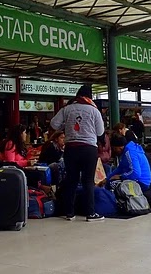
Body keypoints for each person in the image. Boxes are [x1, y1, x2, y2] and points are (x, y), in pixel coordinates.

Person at [50, 84, 105, 222]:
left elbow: (53, 124)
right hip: (89, 149)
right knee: (88, 181)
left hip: (71, 148)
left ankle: (69, 213)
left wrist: (65, 126)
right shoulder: (94, 110)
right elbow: (100, 132)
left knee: (71, 180)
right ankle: (90, 213)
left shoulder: (67, 109)